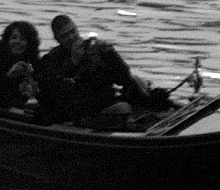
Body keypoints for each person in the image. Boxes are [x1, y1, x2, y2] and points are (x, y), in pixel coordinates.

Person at [37, 15, 170, 126]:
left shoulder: (96, 49)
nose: (71, 37)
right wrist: (73, 62)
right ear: (57, 39)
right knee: (123, 109)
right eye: (65, 36)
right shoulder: (51, 60)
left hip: (107, 101)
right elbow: (55, 89)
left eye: (73, 32)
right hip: (78, 111)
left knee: (136, 85)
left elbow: (122, 78)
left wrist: (110, 54)